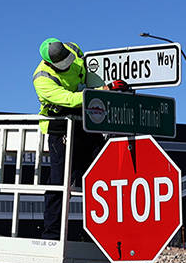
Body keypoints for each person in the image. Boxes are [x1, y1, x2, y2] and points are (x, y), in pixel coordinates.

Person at [32, 38, 125, 239]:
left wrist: (105, 87)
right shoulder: (42, 79)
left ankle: (96, 232)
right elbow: (69, 99)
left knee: (97, 175)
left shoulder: (73, 49)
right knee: (59, 182)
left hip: (85, 122)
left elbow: (88, 67)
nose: (67, 65)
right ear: (49, 63)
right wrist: (104, 91)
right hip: (60, 127)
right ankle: (52, 234)